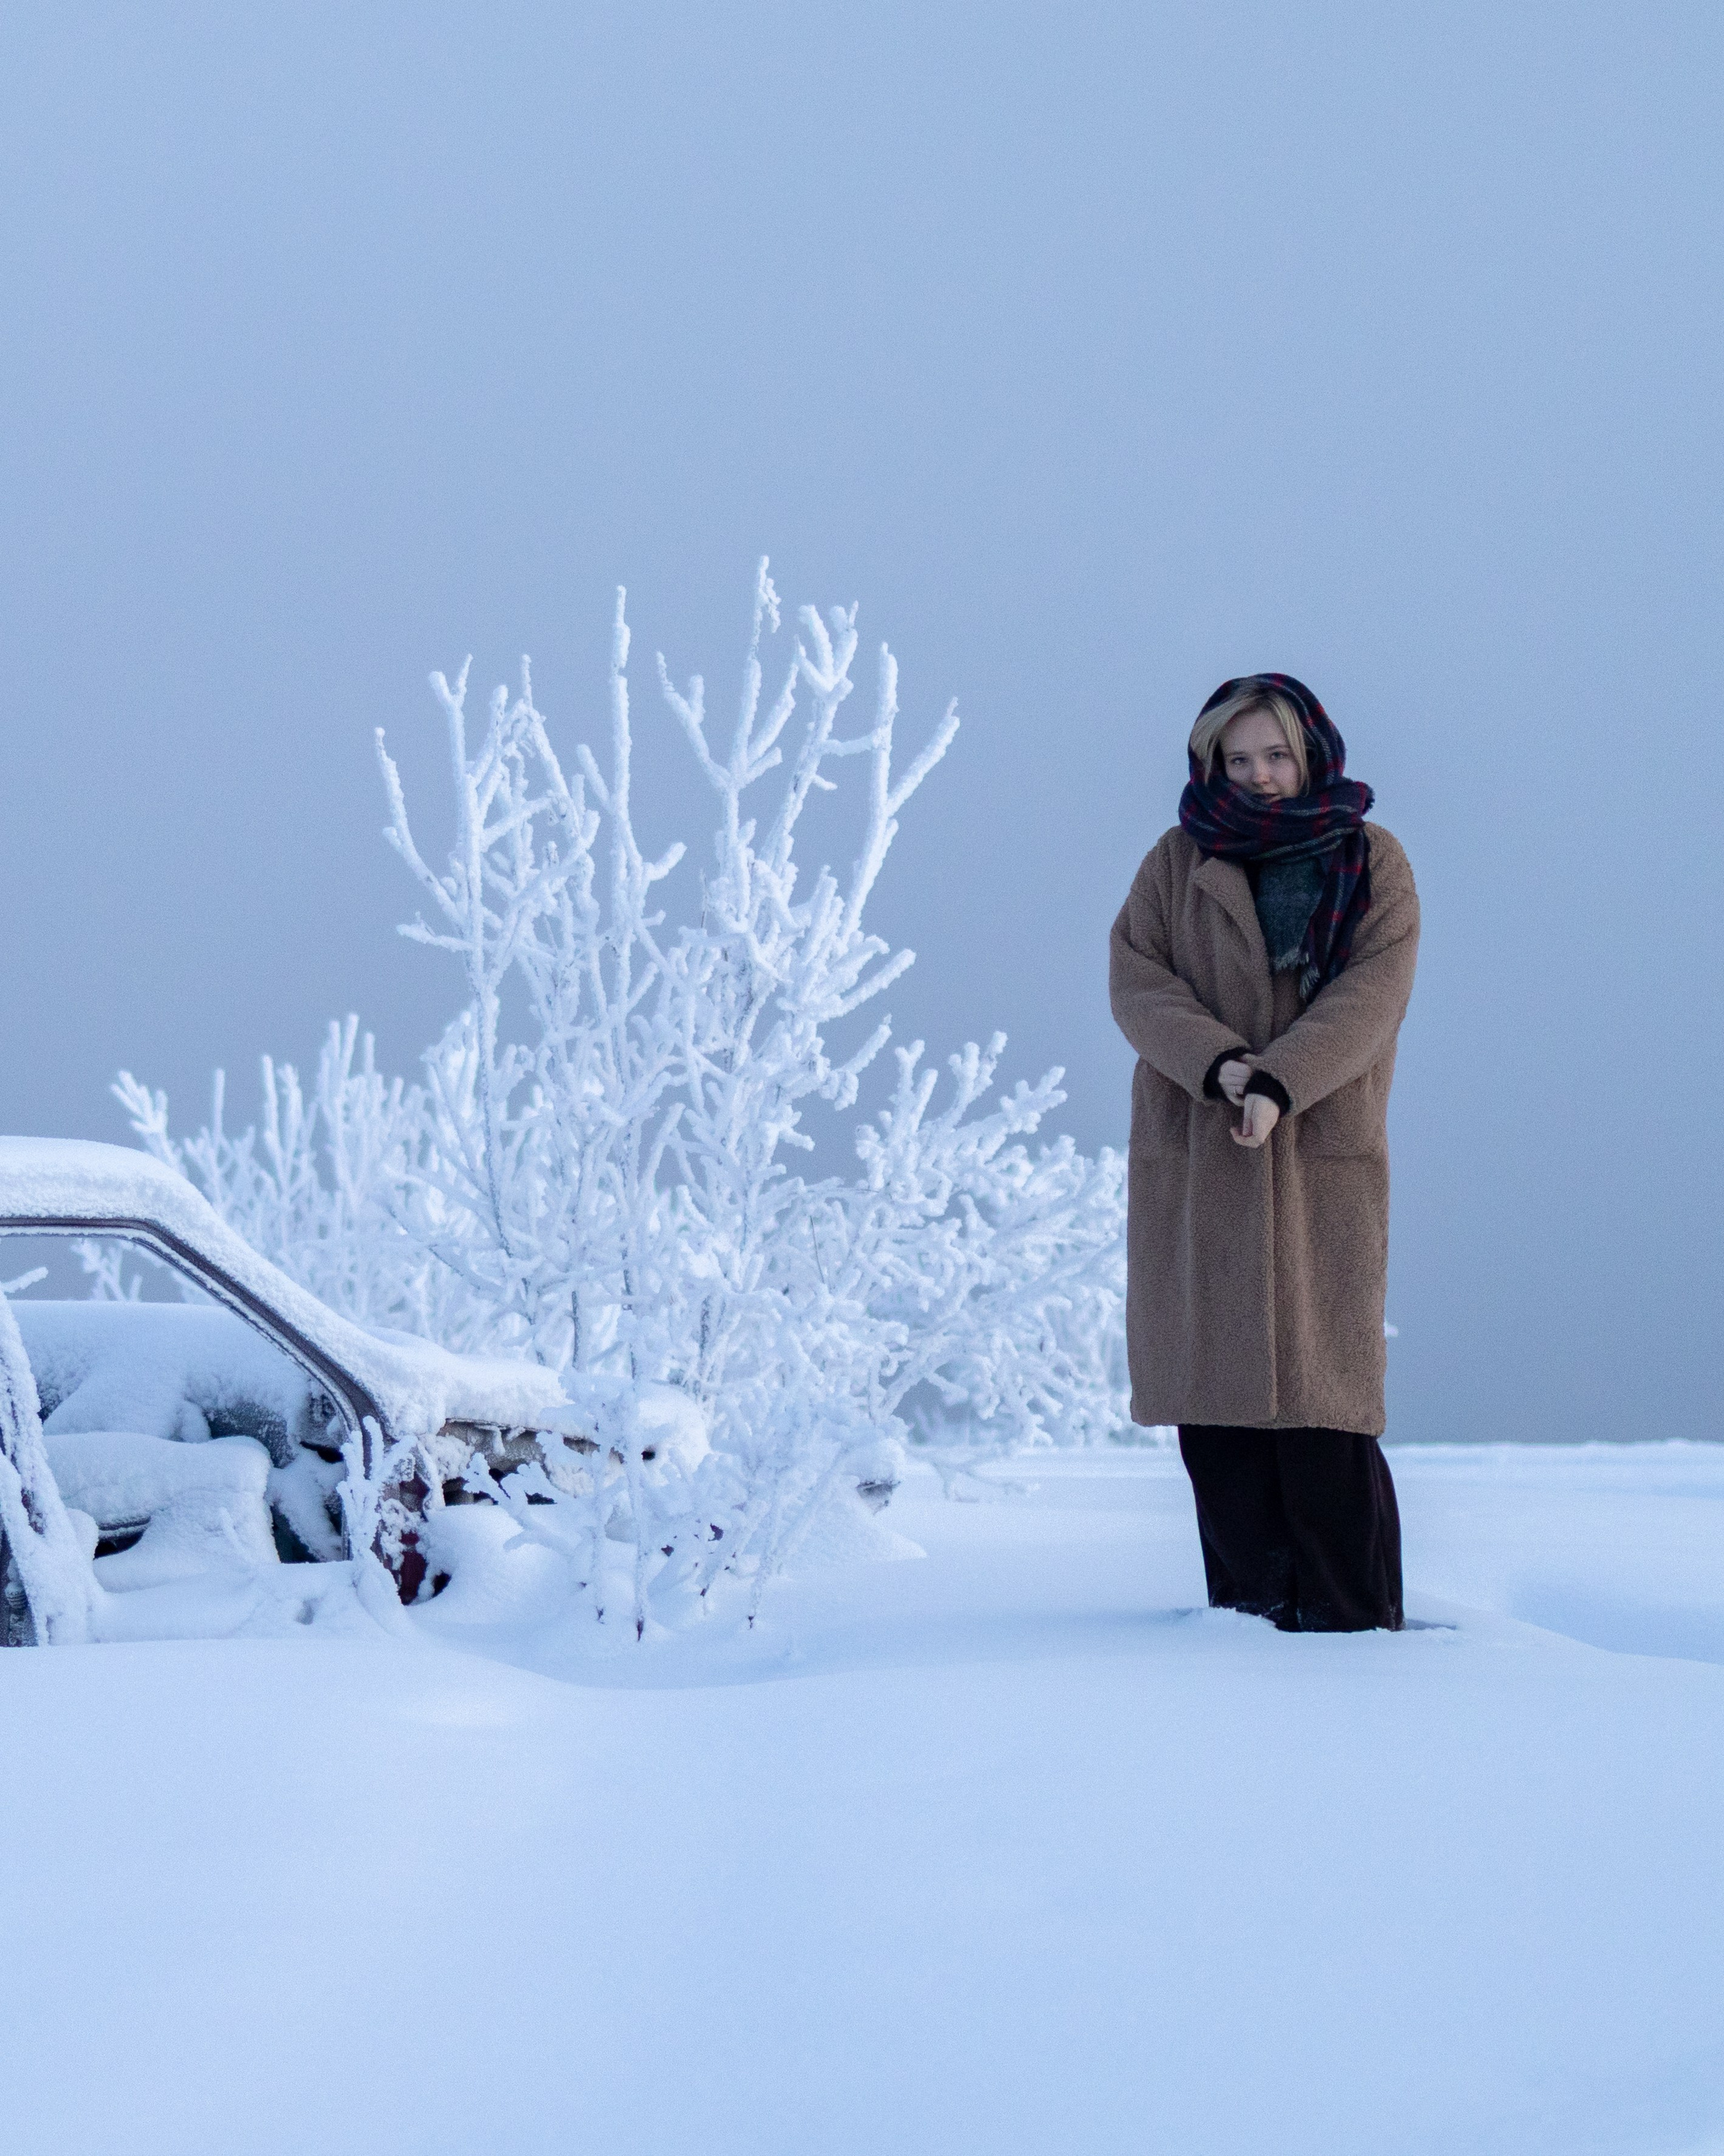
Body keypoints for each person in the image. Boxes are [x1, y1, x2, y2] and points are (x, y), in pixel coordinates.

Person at [1108, 675, 1420, 1632]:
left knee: (1325, 1415)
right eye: (1237, 760)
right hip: (1205, 1156)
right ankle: (1245, 1639)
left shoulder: (1371, 860)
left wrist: (1283, 1080)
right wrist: (1224, 1070)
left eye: (1274, 755)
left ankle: (1356, 1632)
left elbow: (1372, 991)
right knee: (1222, 1418)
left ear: (1310, 753)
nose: (1258, 777)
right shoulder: (1175, 862)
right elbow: (1136, 981)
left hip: (1318, 1154)